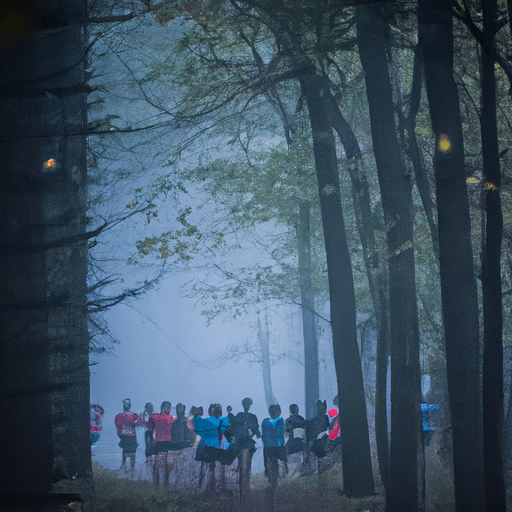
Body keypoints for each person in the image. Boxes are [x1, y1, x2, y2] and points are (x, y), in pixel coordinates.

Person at [231, 397, 260, 506]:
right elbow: (255, 431)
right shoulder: (250, 417)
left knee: (243, 464)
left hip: (242, 444)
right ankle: (243, 485)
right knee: (245, 465)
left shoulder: (239, 416)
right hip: (244, 444)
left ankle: (243, 485)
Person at [149, 401, 175, 486]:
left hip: (162, 442)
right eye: (168, 407)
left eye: (170, 407)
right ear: (163, 408)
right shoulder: (168, 418)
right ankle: (162, 481)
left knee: (161, 463)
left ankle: (160, 481)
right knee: (162, 463)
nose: (169, 409)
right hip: (164, 442)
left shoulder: (156, 417)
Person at [114, 398, 145, 473]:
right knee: (133, 453)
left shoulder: (120, 416)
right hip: (132, 436)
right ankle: (132, 470)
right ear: (130, 405)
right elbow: (140, 423)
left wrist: (120, 434)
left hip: (124, 436)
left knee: (125, 452)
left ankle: (124, 467)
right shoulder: (134, 415)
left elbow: (117, 426)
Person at [261, 404, 286, 489]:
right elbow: (264, 434)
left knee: (277, 463)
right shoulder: (265, 421)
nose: (273, 412)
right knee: (269, 463)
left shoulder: (280, 420)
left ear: (279, 411)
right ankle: (270, 479)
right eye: (272, 410)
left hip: (277, 446)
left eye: (275, 410)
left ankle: (276, 480)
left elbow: (280, 432)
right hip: (269, 446)